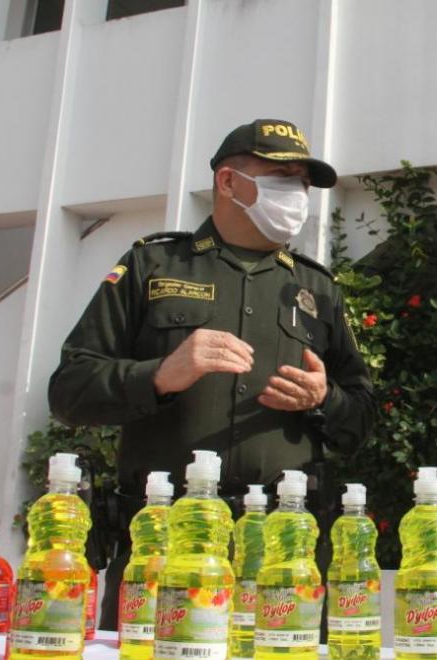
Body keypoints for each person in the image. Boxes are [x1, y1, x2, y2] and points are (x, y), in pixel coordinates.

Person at [48, 118, 377, 629]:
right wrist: (160, 375)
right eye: (280, 177)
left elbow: (361, 420)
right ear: (228, 182)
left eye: (301, 183)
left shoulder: (319, 290)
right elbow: (69, 392)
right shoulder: (151, 267)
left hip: (282, 550)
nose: (296, 194)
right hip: (164, 541)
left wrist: (323, 399)